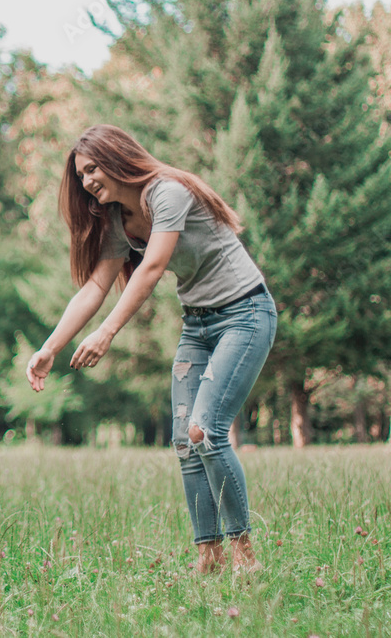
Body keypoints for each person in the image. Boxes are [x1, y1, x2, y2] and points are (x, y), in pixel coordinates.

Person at [26, 125, 276, 574]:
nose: (86, 182)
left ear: (117, 157)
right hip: (198, 325)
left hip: (245, 312)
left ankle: (245, 554)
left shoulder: (168, 193)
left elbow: (154, 265)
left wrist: (106, 334)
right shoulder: (119, 220)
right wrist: (50, 348)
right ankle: (209, 556)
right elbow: (95, 286)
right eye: (80, 175)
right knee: (183, 442)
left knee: (205, 431)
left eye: (91, 169)